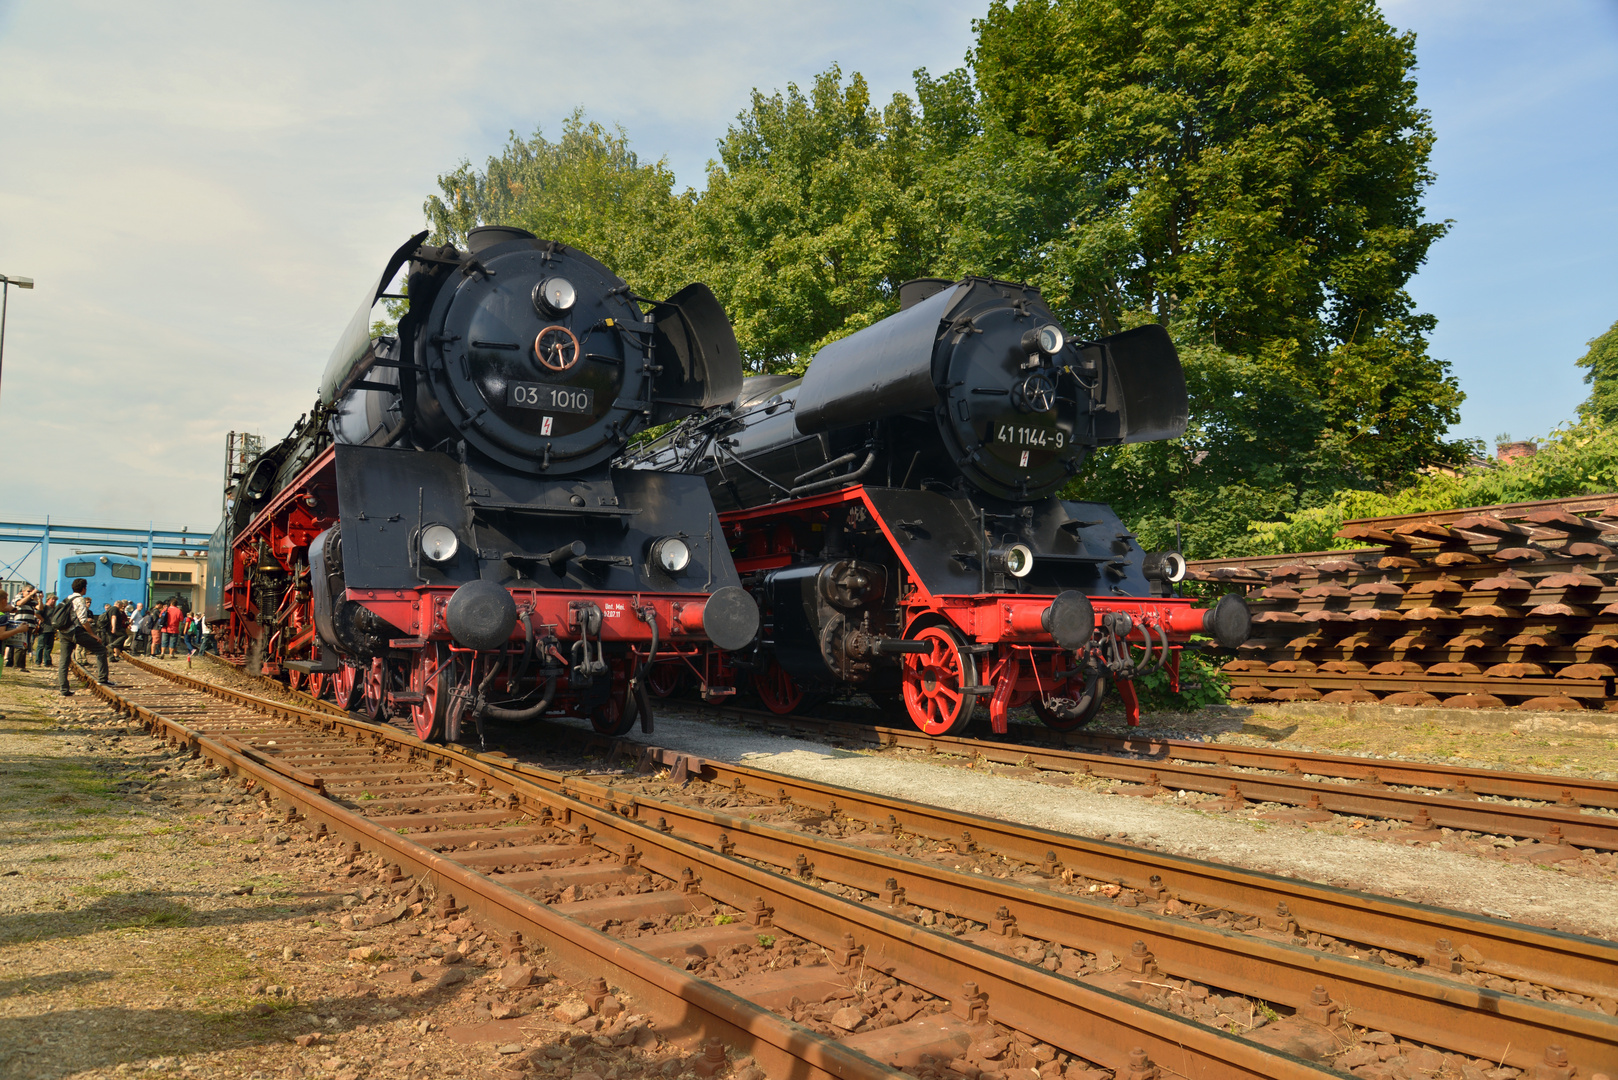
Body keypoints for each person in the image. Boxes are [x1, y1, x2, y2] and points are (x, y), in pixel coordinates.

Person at [55, 578, 110, 696]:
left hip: (63, 632)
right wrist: (92, 634)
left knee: (64, 660)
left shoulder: (67, 598)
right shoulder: (80, 600)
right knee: (100, 649)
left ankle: (64, 689)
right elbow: (83, 620)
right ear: (84, 588)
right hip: (75, 632)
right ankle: (103, 679)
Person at [33, 593, 57, 667]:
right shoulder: (44, 607)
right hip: (44, 629)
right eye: (52, 599)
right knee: (41, 646)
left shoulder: (54, 609)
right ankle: (38, 662)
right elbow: (36, 613)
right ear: (48, 599)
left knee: (49, 647)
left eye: (55, 600)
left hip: (52, 630)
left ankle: (47, 662)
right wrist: (42, 619)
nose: (53, 601)